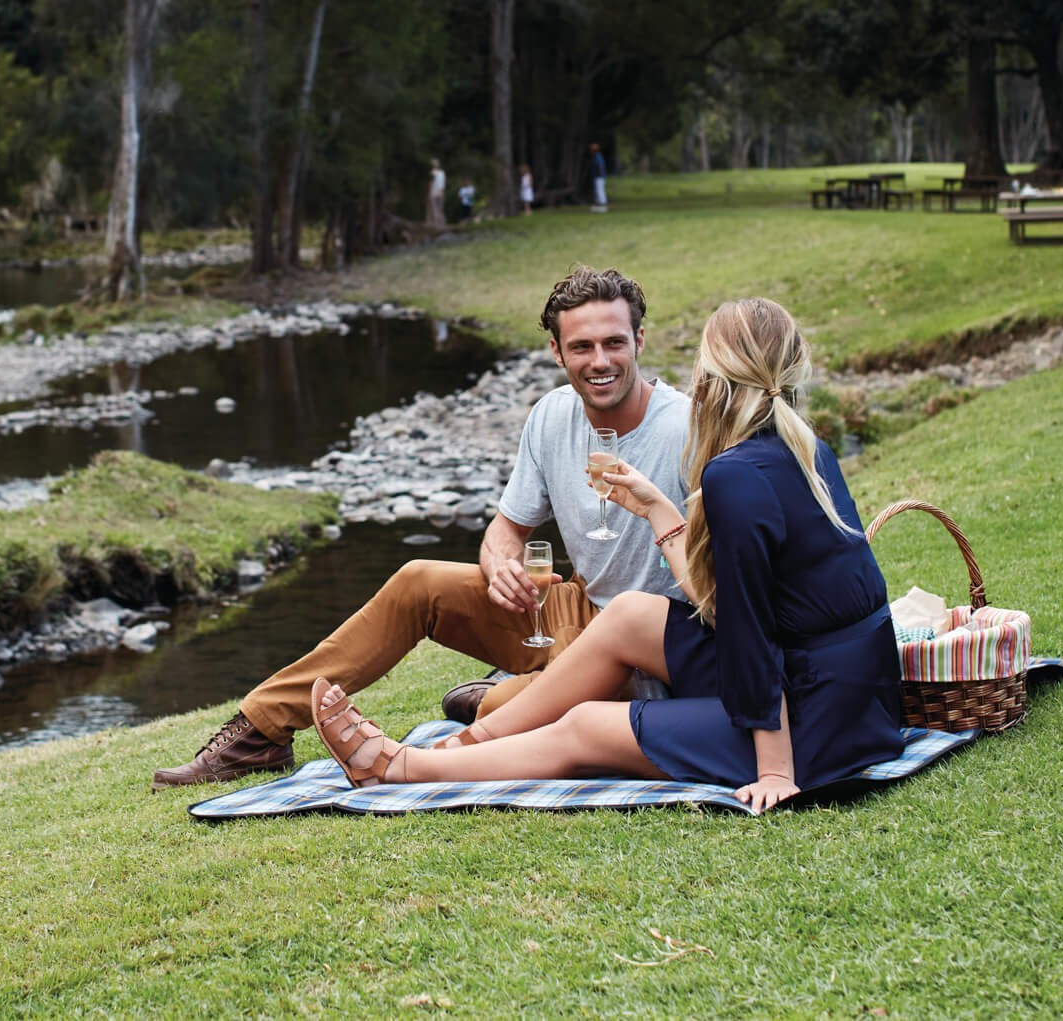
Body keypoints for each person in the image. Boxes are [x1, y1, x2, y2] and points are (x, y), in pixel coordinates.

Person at [304, 297, 904, 813]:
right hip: (858, 696)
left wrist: (774, 769)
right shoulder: (803, 446)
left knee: (587, 726)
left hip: (812, 727)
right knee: (630, 616)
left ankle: (398, 768)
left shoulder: (734, 475)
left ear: (713, 375)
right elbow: (735, 601)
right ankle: (467, 745)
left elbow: (750, 631)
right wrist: (658, 510)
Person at [153, 267, 692, 789]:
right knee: (418, 580)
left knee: (536, 713)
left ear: (640, 340)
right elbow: (506, 528)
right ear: (557, 352)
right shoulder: (552, 416)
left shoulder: (686, 428)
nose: (599, 361)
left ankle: (486, 701)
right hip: (572, 609)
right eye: (581, 347)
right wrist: (500, 565)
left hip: (647, 646)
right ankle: (259, 732)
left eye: (614, 343)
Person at [426, 158, 447, 228]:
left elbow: (430, 183)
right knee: (440, 210)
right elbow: (443, 184)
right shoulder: (442, 173)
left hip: (433, 192)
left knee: (435, 210)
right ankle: (442, 225)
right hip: (441, 192)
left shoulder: (432, 173)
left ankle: (437, 226)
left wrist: (429, 192)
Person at [588, 142, 608, 213]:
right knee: (598, 191)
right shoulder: (597, 156)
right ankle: (599, 205)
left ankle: (603, 205)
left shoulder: (597, 157)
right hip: (598, 176)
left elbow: (600, 166)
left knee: (600, 191)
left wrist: (599, 174)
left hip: (599, 177)